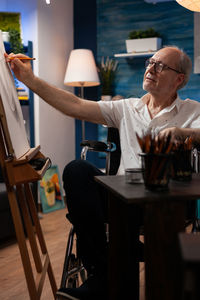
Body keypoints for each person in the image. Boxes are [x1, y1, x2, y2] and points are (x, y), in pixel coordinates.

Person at [6, 46, 200, 300]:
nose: (150, 68)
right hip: (122, 199)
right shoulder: (126, 108)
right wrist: (29, 80)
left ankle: (113, 270)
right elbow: (74, 105)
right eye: (150, 62)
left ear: (179, 79)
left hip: (165, 204)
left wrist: (182, 133)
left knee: (129, 207)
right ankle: (103, 272)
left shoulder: (192, 110)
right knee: (77, 170)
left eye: (160, 65)